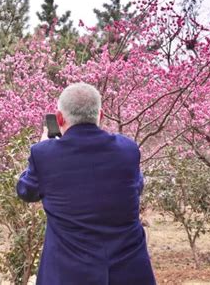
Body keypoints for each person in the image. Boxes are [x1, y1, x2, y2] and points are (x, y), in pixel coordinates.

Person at [17, 82, 155, 284]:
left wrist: (45, 144)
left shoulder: (44, 154)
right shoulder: (128, 150)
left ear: (59, 118)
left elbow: (25, 191)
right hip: (129, 271)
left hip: (69, 274)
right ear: (101, 115)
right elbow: (137, 187)